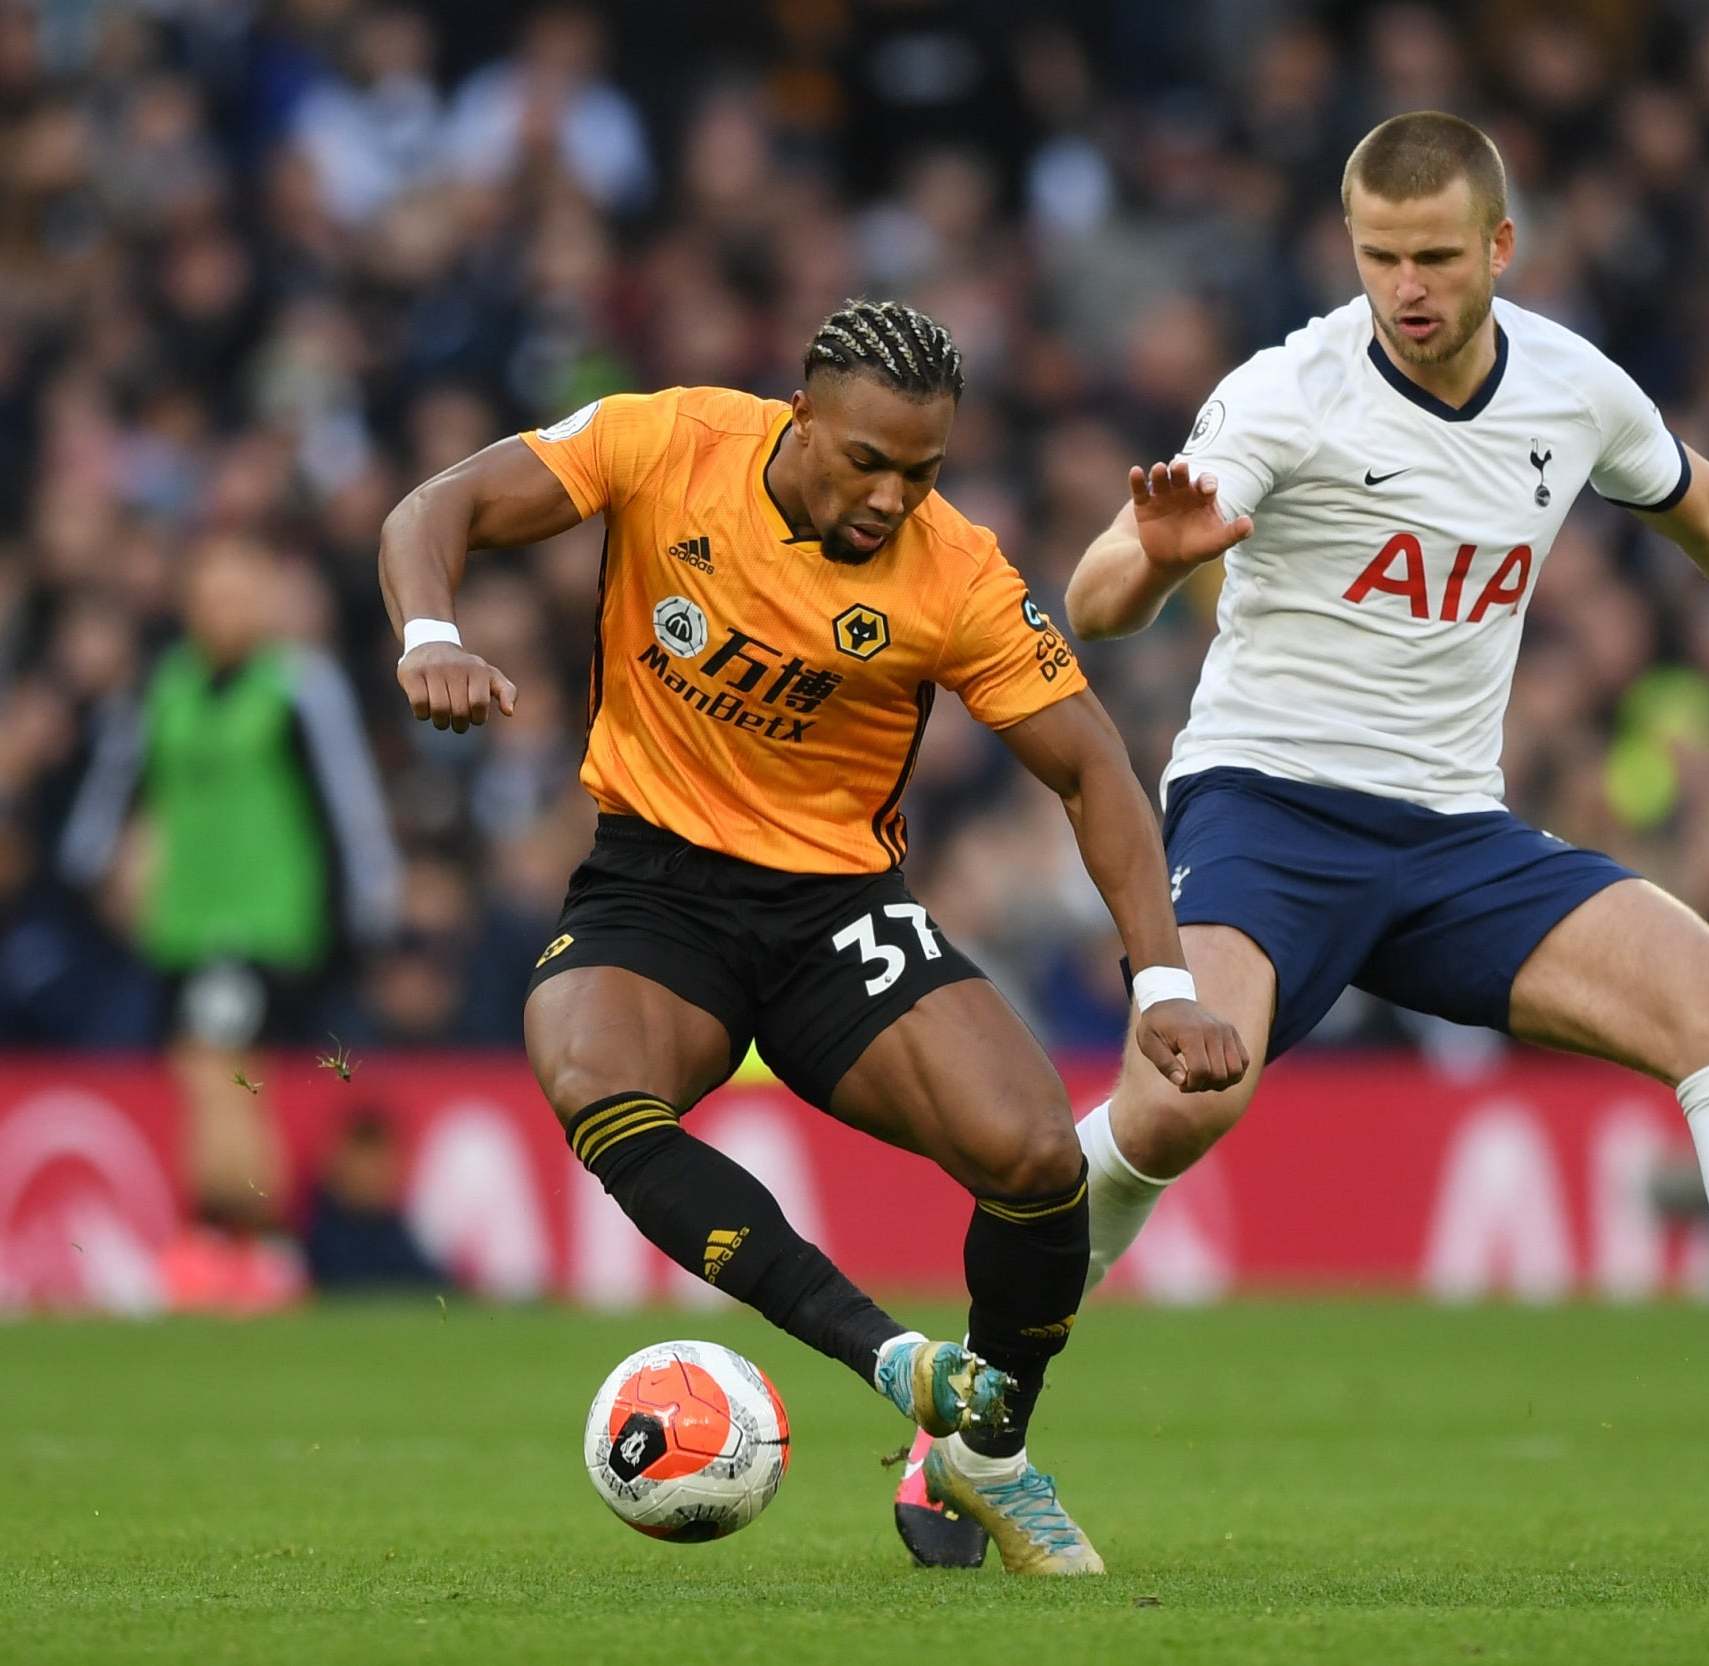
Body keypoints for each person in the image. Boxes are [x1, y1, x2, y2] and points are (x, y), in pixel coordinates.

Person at [903, 112, 1709, 1563]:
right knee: (1185, 1104)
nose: (1407, 287)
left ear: (1500, 246)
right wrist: (1152, 563)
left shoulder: (1571, 388)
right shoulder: (1290, 394)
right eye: (1379, 257)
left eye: (1434, 255)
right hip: (1269, 809)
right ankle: (976, 1429)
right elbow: (1099, 588)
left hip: (1450, 834)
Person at [376, 299, 1248, 1576]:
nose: (895, 497)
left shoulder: (953, 570)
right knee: (589, 1074)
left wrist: (1161, 982)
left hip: (836, 911)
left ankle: (982, 1449)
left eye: (924, 471)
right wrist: (431, 633)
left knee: (1037, 1157)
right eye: (869, 463)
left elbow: (1092, 770)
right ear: (800, 416)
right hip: (653, 888)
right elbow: (431, 510)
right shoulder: (663, 440)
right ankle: (887, 1355)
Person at [59, 533, 402, 1313]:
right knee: (217, 1081)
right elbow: (119, 794)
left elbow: (348, 804)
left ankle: (249, 1244)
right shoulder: (165, 688)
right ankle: (234, 1247)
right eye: (212, 593)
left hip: (264, 921)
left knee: (219, 1076)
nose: (226, 608)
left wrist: (368, 909)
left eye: (240, 592)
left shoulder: (298, 685)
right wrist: (100, 870)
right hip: (182, 923)